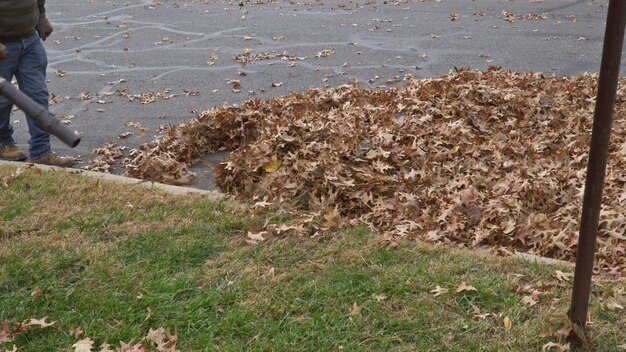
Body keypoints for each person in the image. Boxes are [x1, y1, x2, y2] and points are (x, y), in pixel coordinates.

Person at [0, 0, 76, 166]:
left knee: (37, 95)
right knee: (2, 99)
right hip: (3, 42)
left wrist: (41, 17)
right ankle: (3, 142)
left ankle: (41, 151)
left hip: (29, 40)